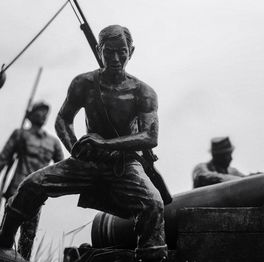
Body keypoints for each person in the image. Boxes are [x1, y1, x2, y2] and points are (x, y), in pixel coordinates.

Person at [0, 25, 167, 262]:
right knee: (31, 184)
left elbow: (150, 137)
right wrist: (75, 149)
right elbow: (63, 119)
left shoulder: (143, 92)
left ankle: (150, 257)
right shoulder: (84, 83)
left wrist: (104, 144)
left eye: (122, 52)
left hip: (124, 164)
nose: (116, 59)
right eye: (109, 52)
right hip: (89, 162)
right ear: (99, 51)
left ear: (131, 51)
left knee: (154, 204)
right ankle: (4, 243)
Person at [0, 101, 64, 260]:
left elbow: (62, 168)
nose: (44, 115)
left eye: (46, 112)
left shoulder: (53, 142)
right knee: (6, 236)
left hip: (37, 194)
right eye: (40, 111)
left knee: (28, 236)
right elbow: (3, 159)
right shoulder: (20, 134)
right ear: (31, 114)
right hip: (16, 190)